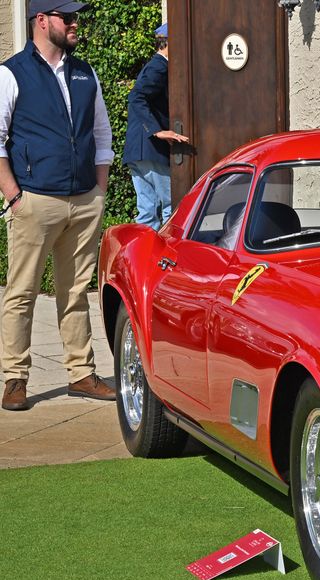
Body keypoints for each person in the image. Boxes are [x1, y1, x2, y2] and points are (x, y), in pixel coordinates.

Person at [0, 0, 116, 411]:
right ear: (42, 20)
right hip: (35, 200)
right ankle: (15, 378)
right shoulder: (12, 73)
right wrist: (15, 196)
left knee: (74, 291)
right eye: (67, 18)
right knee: (22, 293)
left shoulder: (86, 72)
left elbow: (102, 134)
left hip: (84, 201)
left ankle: (81, 373)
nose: (75, 24)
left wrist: (98, 192)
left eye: (76, 17)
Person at [122, 22, 188, 230]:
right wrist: (157, 130)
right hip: (150, 150)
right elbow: (137, 96)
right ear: (170, 43)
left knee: (147, 213)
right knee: (172, 208)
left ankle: (146, 259)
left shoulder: (154, 65)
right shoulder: (160, 66)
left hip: (138, 151)